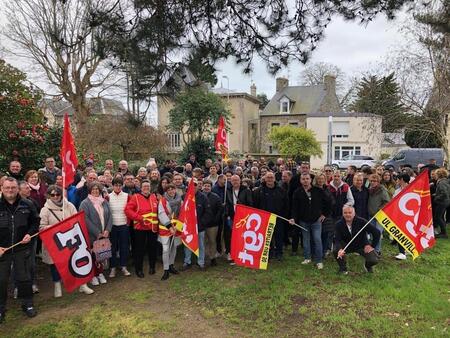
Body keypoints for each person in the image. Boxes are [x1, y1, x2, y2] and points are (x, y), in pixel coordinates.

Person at [0, 177, 39, 322]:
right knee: (1, 280)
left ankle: (27, 304)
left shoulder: (27, 204)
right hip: (2, 250)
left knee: (24, 278)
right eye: (7, 188)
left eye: (13, 188)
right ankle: (1, 309)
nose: (10, 190)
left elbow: (35, 222)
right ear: (2, 189)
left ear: (18, 189)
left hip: (21, 248)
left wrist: (29, 234)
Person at [39, 185, 88, 296]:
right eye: (52, 195)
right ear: (48, 196)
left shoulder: (69, 205)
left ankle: (82, 284)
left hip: (70, 239)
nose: (55, 197)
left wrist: (68, 224)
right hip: (54, 242)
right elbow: (41, 227)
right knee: (55, 264)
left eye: (58, 194)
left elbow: (76, 219)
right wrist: (57, 227)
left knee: (75, 261)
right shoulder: (45, 210)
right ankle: (57, 286)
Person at [290, 173, 331, 269]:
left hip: (316, 220)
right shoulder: (297, 192)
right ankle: (307, 258)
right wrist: (293, 218)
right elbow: (294, 208)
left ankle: (319, 261)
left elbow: (328, 203)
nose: (305, 180)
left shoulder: (318, 191)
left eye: (307, 179)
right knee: (306, 240)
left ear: (310, 180)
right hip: (303, 221)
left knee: (317, 240)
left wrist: (324, 214)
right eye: (303, 179)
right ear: (300, 180)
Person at [79, 182, 113, 286]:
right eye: (93, 189)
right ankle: (93, 275)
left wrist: (107, 229)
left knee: (102, 255)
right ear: (90, 190)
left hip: (104, 233)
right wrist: (97, 232)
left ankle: (100, 273)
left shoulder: (104, 202)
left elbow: (110, 216)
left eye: (97, 189)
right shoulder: (85, 203)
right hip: (92, 235)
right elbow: (85, 219)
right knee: (93, 255)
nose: (95, 191)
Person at [125, 180, 159, 277]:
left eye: (148, 186)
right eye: (144, 186)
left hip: (152, 228)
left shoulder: (154, 197)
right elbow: (127, 210)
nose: (146, 188)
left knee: (152, 248)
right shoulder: (135, 197)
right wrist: (139, 218)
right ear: (140, 187)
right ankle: (138, 269)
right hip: (140, 228)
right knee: (139, 250)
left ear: (150, 187)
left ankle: (152, 267)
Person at [253, 172, 288, 260]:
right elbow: (255, 205)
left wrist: (284, 215)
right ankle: (268, 253)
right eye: (268, 178)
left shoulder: (281, 190)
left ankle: (279, 253)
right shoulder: (259, 191)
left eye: (271, 177)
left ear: (274, 179)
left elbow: (286, 204)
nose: (269, 179)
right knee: (266, 237)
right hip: (264, 218)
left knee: (279, 236)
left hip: (278, 217)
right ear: (265, 179)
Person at [334, 205, 380, 274]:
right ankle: (343, 269)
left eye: (350, 212)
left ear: (354, 213)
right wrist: (340, 249)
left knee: (374, 260)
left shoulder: (362, 222)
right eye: (345, 213)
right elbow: (337, 239)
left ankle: (367, 266)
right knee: (336, 250)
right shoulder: (338, 224)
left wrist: (371, 246)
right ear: (342, 213)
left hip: (362, 246)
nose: (347, 214)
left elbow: (377, 233)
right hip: (347, 245)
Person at [224, 175, 253, 263]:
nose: (235, 182)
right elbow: (227, 204)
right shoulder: (228, 190)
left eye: (237, 180)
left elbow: (250, 204)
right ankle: (230, 253)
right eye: (233, 180)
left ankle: (243, 253)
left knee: (242, 236)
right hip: (231, 216)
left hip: (243, 217)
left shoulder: (246, 190)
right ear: (231, 182)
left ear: (240, 180)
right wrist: (227, 215)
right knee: (230, 236)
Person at [182, 178, 209, 270]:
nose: (193, 187)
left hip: (200, 227)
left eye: (195, 185)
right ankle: (187, 261)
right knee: (187, 244)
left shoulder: (203, 197)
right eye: (190, 185)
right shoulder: (184, 197)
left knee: (201, 245)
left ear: (198, 186)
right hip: (188, 227)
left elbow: (207, 212)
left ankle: (201, 262)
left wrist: (201, 223)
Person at [157, 183, 182, 280]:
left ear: (175, 190)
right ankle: (166, 269)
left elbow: (182, 214)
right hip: (165, 228)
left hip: (176, 228)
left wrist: (178, 226)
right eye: (169, 190)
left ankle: (171, 265)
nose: (171, 191)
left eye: (173, 189)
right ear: (166, 191)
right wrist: (170, 227)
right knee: (166, 249)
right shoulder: (163, 201)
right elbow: (161, 214)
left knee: (174, 248)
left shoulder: (180, 200)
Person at [108, 178, 131, 278]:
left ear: (122, 186)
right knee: (112, 248)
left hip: (123, 225)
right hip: (112, 226)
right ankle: (113, 267)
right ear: (112, 186)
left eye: (119, 185)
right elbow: (106, 213)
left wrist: (128, 223)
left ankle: (123, 266)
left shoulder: (127, 196)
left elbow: (130, 210)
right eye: (116, 185)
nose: (118, 187)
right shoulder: (107, 197)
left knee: (124, 247)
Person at [367, 174, 391, 254]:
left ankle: (377, 250)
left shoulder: (382, 189)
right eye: (371, 181)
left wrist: (379, 210)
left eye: (374, 181)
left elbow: (387, 202)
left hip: (380, 215)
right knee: (372, 233)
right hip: (371, 215)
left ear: (378, 181)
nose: (373, 182)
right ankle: (373, 248)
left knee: (378, 233)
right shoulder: (369, 189)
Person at [202, 179, 223, 266]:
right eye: (205, 186)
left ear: (211, 187)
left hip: (213, 225)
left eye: (208, 186)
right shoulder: (199, 196)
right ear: (202, 186)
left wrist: (215, 220)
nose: (206, 187)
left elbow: (220, 209)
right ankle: (203, 257)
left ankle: (212, 257)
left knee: (212, 241)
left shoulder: (216, 197)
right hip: (202, 224)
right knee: (203, 242)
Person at [392, 173, 411, 260]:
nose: (396, 181)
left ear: (402, 179)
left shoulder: (412, 189)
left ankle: (404, 251)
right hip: (399, 215)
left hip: (409, 216)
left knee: (407, 232)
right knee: (400, 232)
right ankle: (402, 251)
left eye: (398, 179)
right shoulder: (397, 190)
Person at [433, 168, 450, 239]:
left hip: (442, 202)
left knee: (438, 217)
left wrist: (436, 197)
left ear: (439, 175)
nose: (435, 176)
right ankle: (443, 232)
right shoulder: (444, 181)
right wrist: (435, 194)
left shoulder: (442, 182)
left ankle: (444, 233)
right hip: (444, 201)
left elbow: (444, 193)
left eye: (436, 174)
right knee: (440, 217)